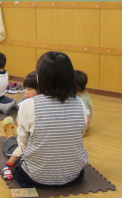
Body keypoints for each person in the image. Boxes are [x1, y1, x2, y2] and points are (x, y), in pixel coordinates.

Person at [7, 51, 88, 188]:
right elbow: (79, 133)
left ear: (40, 78)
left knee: (18, 148)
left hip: (36, 177)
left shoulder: (29, 105)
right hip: (74, 175)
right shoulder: (80, 103)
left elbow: (23, 142)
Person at [1, 71, 38, 180]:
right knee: (20, 146)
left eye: (30, 89)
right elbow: (20, 126)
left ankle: (10, 135)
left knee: (19, 145)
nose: (26, 92)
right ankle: (9, 165)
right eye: (25, 89)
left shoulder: (34, 105)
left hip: (31, 142)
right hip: (25, 139)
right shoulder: (25, 103)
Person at [75, 70, 93, 136]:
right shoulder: (82, 92)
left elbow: (88, 118)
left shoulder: (83, 101)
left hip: (82, 124)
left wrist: (83, 132)